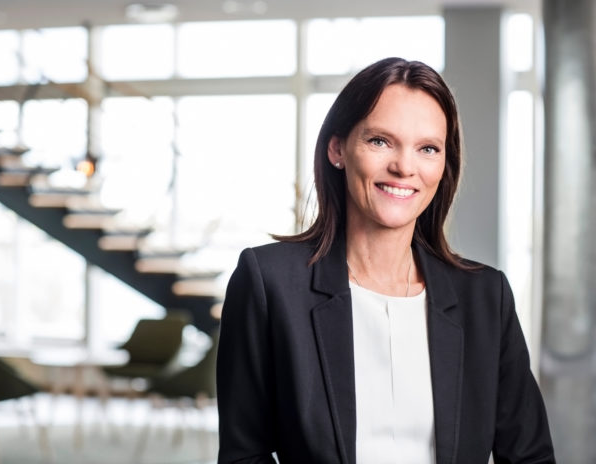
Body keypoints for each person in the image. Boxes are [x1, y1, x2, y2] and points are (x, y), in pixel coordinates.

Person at [216, 57, 555, 464]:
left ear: (443, 165)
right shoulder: (269, 282)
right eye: (380, 141)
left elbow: (530, 457)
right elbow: (243, 455)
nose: (404, 167)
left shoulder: (485, 297)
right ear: (338, 149)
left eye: (427, 148)